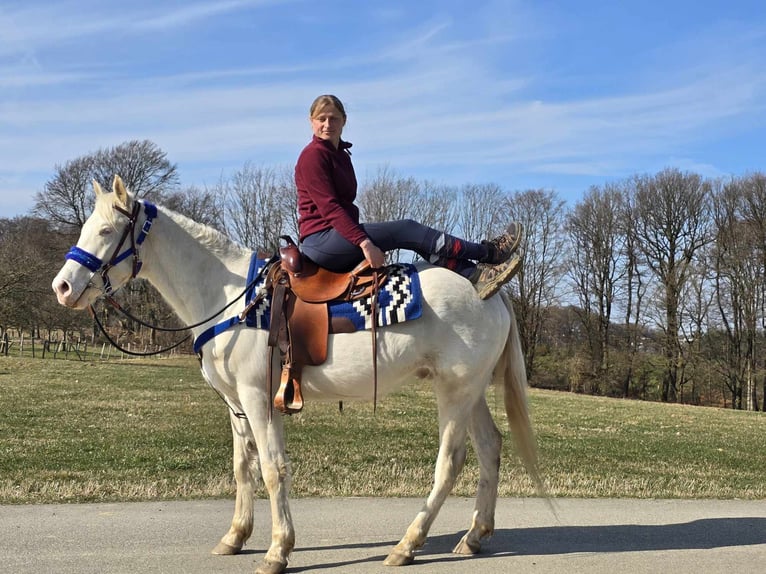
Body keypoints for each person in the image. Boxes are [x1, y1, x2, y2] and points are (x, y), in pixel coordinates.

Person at [294, 94, 522, 300]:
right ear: (311, 121)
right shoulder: (313, 157)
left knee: (416, 239)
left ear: (344, 120)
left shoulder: (340, 155)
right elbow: (330, 208)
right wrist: (364, 243)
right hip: (321, 241)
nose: (327, 124)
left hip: (339, 235)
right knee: (406, 229)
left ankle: (475, 275)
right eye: (321, 118)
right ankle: (489, 252)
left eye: (333, 118)